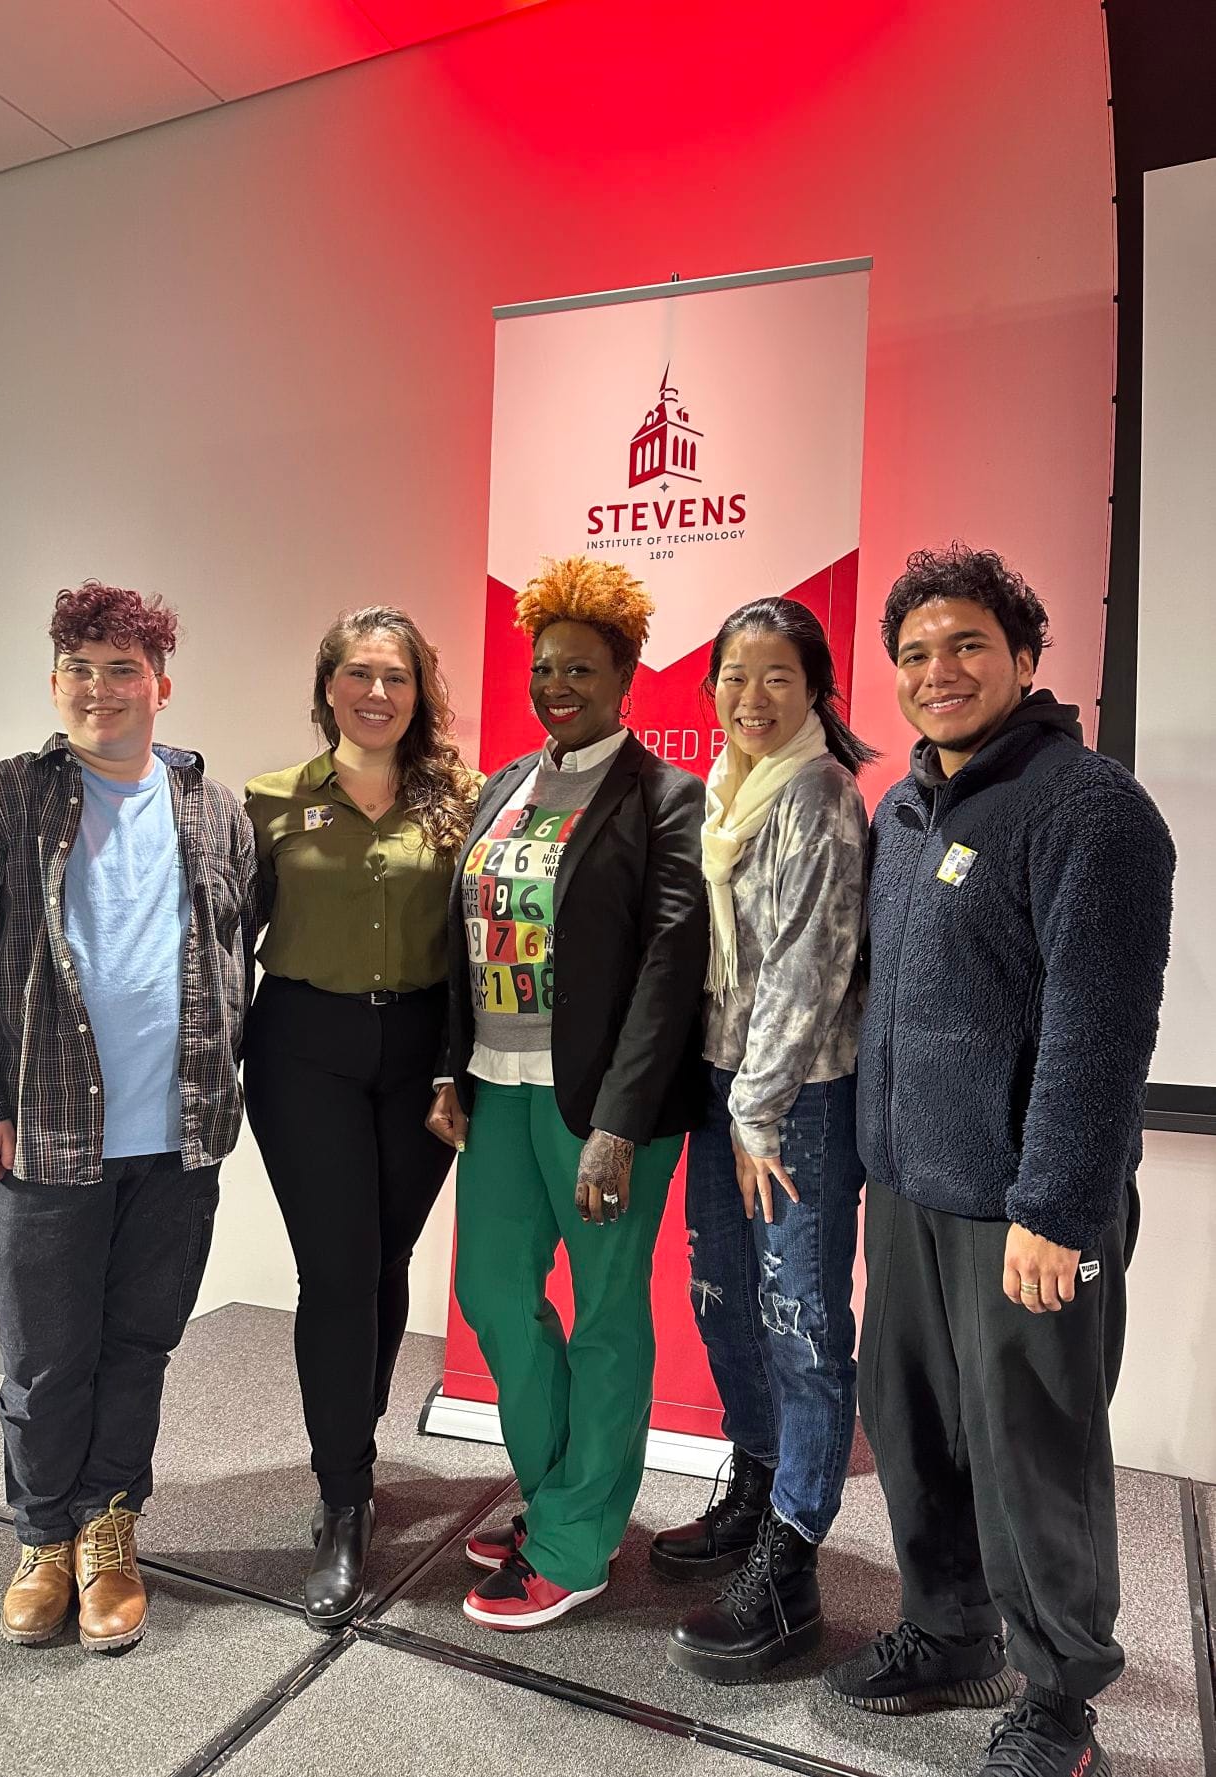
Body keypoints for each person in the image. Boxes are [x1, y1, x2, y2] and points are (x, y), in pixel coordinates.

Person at [823, 546, 1174, 1777]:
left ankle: (1059, 1698)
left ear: (1025, 658)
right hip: (910, 1185)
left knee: (1034, 1448)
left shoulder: (1093, 809)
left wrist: (1057, 1206)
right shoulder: (905, 808)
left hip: (1025, 1209)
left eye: (966, 644)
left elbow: (1100, 1026)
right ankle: (946, 1626)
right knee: (911, 1426)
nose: (937, 671)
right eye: (913, 654)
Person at [0, 581, 258, 1652]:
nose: (99, 688)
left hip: (177, 1140)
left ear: (161, 684)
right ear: (55, 682)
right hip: (46, 1135)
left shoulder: (214, 809)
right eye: (79, 668)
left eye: (121, 668)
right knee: (45, 1358)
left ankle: (109, 1528)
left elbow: (240, 947)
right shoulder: (2, 799)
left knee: (137, 1347)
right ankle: (40, 1538)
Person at [426, 556, 708, 1631]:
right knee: (495, 1294)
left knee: (603, 1320)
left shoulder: (665, 797)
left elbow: (670, 965)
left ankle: (576, 1541)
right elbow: (465, 939)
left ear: (627, 676)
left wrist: (621, 1126)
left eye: (581, 670)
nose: (558, 686)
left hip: (600, 1112)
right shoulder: (503, 785)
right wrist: (453, 1065)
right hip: (497, 1091)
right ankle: (555, 1494)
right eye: (545, 668)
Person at [243, 606, 478, 1629]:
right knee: (337, 1268)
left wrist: (458, 1069)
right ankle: (343, 1495)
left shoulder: (460, 805)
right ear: (327, 685)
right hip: (302, 1051)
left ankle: (354, 1441)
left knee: (382, 1257)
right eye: (358, 674)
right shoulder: (264, 804)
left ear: (419, 693)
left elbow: (478, 948)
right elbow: (218, 938)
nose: (376, 693)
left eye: (396, 677)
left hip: (420, 1058)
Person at [656, 597, 873, 1683]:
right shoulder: (723, 797)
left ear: (815, 690)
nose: (751, 697)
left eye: (776, 676)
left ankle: (791, 1561)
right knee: (723, 1299)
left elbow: (808, 964)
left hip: (796, 1103)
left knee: (799, 1321)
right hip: (720, 1088)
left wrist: (756, 1108)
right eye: (734, 678)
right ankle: (752, 1478)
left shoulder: (822, 794)